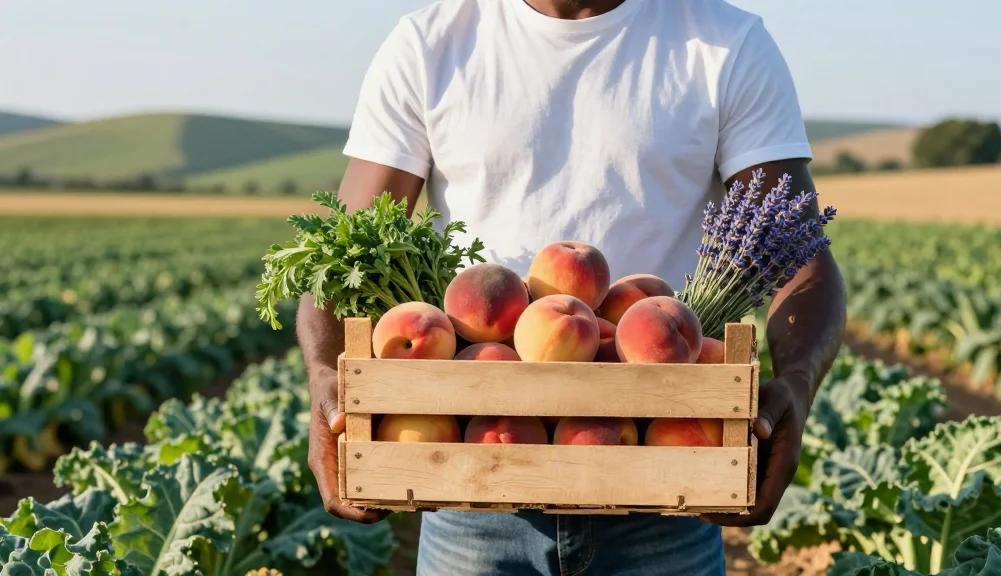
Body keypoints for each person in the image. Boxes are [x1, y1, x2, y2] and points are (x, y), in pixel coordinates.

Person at [301, 0, 846, 574]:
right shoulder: (429, 44)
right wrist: (326, 383)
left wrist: (796, 384)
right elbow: (339, 254)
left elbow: (802, 257)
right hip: (470, 481)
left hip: (666, 482)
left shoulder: (726, 44)